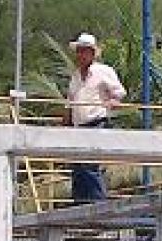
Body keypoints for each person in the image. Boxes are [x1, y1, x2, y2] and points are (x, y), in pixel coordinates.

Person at [65, 32, 126, 204]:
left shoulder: (103, 71)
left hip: (95, 123)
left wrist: (112, 102)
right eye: (79, 51)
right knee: (78, 169)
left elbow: (119, 92)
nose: (80, 55)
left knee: (89, 166)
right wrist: (66, 121)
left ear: (92, 53)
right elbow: (71, 100)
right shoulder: (76, 75)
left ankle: (99, 206)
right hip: (79, 126)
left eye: (84, 51)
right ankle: (79, 207)